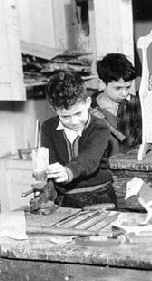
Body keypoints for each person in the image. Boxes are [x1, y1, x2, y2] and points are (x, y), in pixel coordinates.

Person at [40, 70, 117, 208]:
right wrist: (51, 173)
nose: (74, 121)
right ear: (53, 109)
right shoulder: (48, 128)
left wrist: (68, 172)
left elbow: (89, 160)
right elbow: (50, 161)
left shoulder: (100, 127)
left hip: (99, 196)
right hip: (66, 198)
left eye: (78, 113)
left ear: (87, 103)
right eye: (65, 116)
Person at [91, 53, 142, 155]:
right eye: (118, 88)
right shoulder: (90, 107)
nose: (124, 93)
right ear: (102, 83)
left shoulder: (135, 104)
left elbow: (145, 140)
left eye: (128, 87)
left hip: (132, 163)